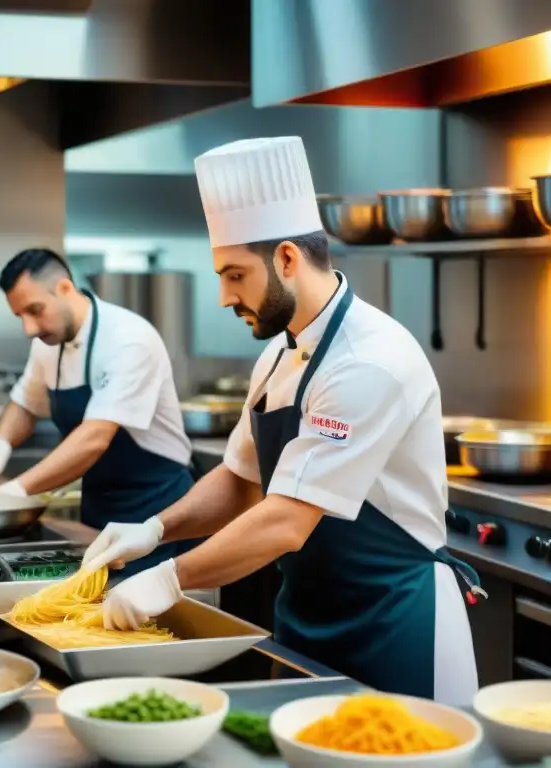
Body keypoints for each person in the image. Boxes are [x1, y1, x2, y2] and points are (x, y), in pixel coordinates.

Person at [81, 137, 481, 706]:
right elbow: (240, 481)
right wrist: (154, 532)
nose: (224, 296)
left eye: (235, 275)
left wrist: (170, 578)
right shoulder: (277, 355)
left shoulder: (367, 361)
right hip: (310, 619)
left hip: (391, 627)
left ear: (287, 259)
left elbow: (285, 522)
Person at [0, 248, 198, 578]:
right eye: (20, 316)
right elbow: (25, 402)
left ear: (64, 288)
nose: (29, 328)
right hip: (99, 509)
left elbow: (94, 439)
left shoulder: (129, 340)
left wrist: (17, 491)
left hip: (157, 513)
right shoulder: (47, 345)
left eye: (35, 310)